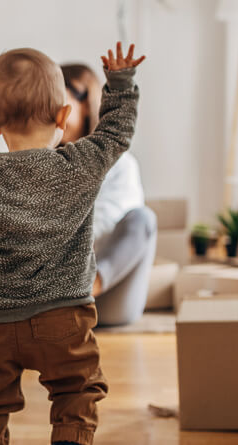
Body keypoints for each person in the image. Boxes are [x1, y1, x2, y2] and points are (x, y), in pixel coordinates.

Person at [0, 43, 143, 445]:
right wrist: (120, 82)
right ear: (64, 115)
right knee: (76, 392)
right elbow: (116, 132)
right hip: (63, 319)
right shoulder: (82, 163)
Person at [60, 63, 157, 326]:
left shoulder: (120, 164)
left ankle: (81, 292)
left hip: (108, 293)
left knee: (142, 219)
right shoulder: (43, 164)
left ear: (84, 104)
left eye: (60, 103)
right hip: (53, 291)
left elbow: (105, 223)